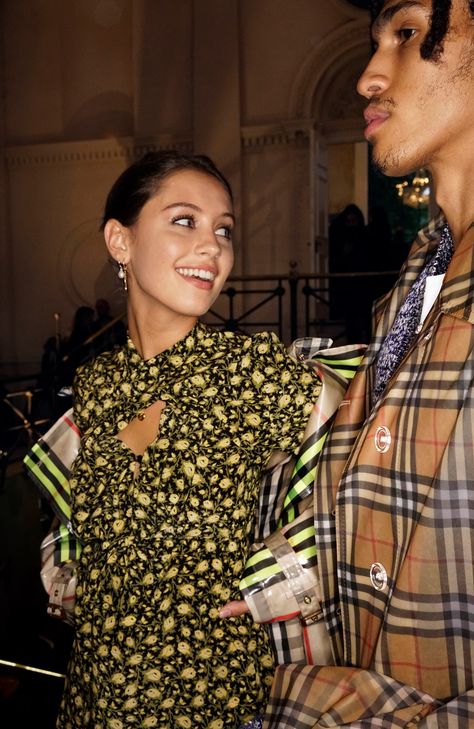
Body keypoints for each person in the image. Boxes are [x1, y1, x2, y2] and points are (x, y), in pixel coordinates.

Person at [223, 0, 474, 725]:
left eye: (409, 33)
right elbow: (369, 493)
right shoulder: (423, 268)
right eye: (375, 42)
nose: (368, 75)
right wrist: (243, 587)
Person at [57, 150, 322, 728]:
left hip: (209, 699)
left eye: (223, 230)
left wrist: (280, 579)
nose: (213, 246)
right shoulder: (97, 383)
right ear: (118, 241)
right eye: (185, 221)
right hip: (94, 699)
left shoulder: (253, 370)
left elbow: (372, 470)